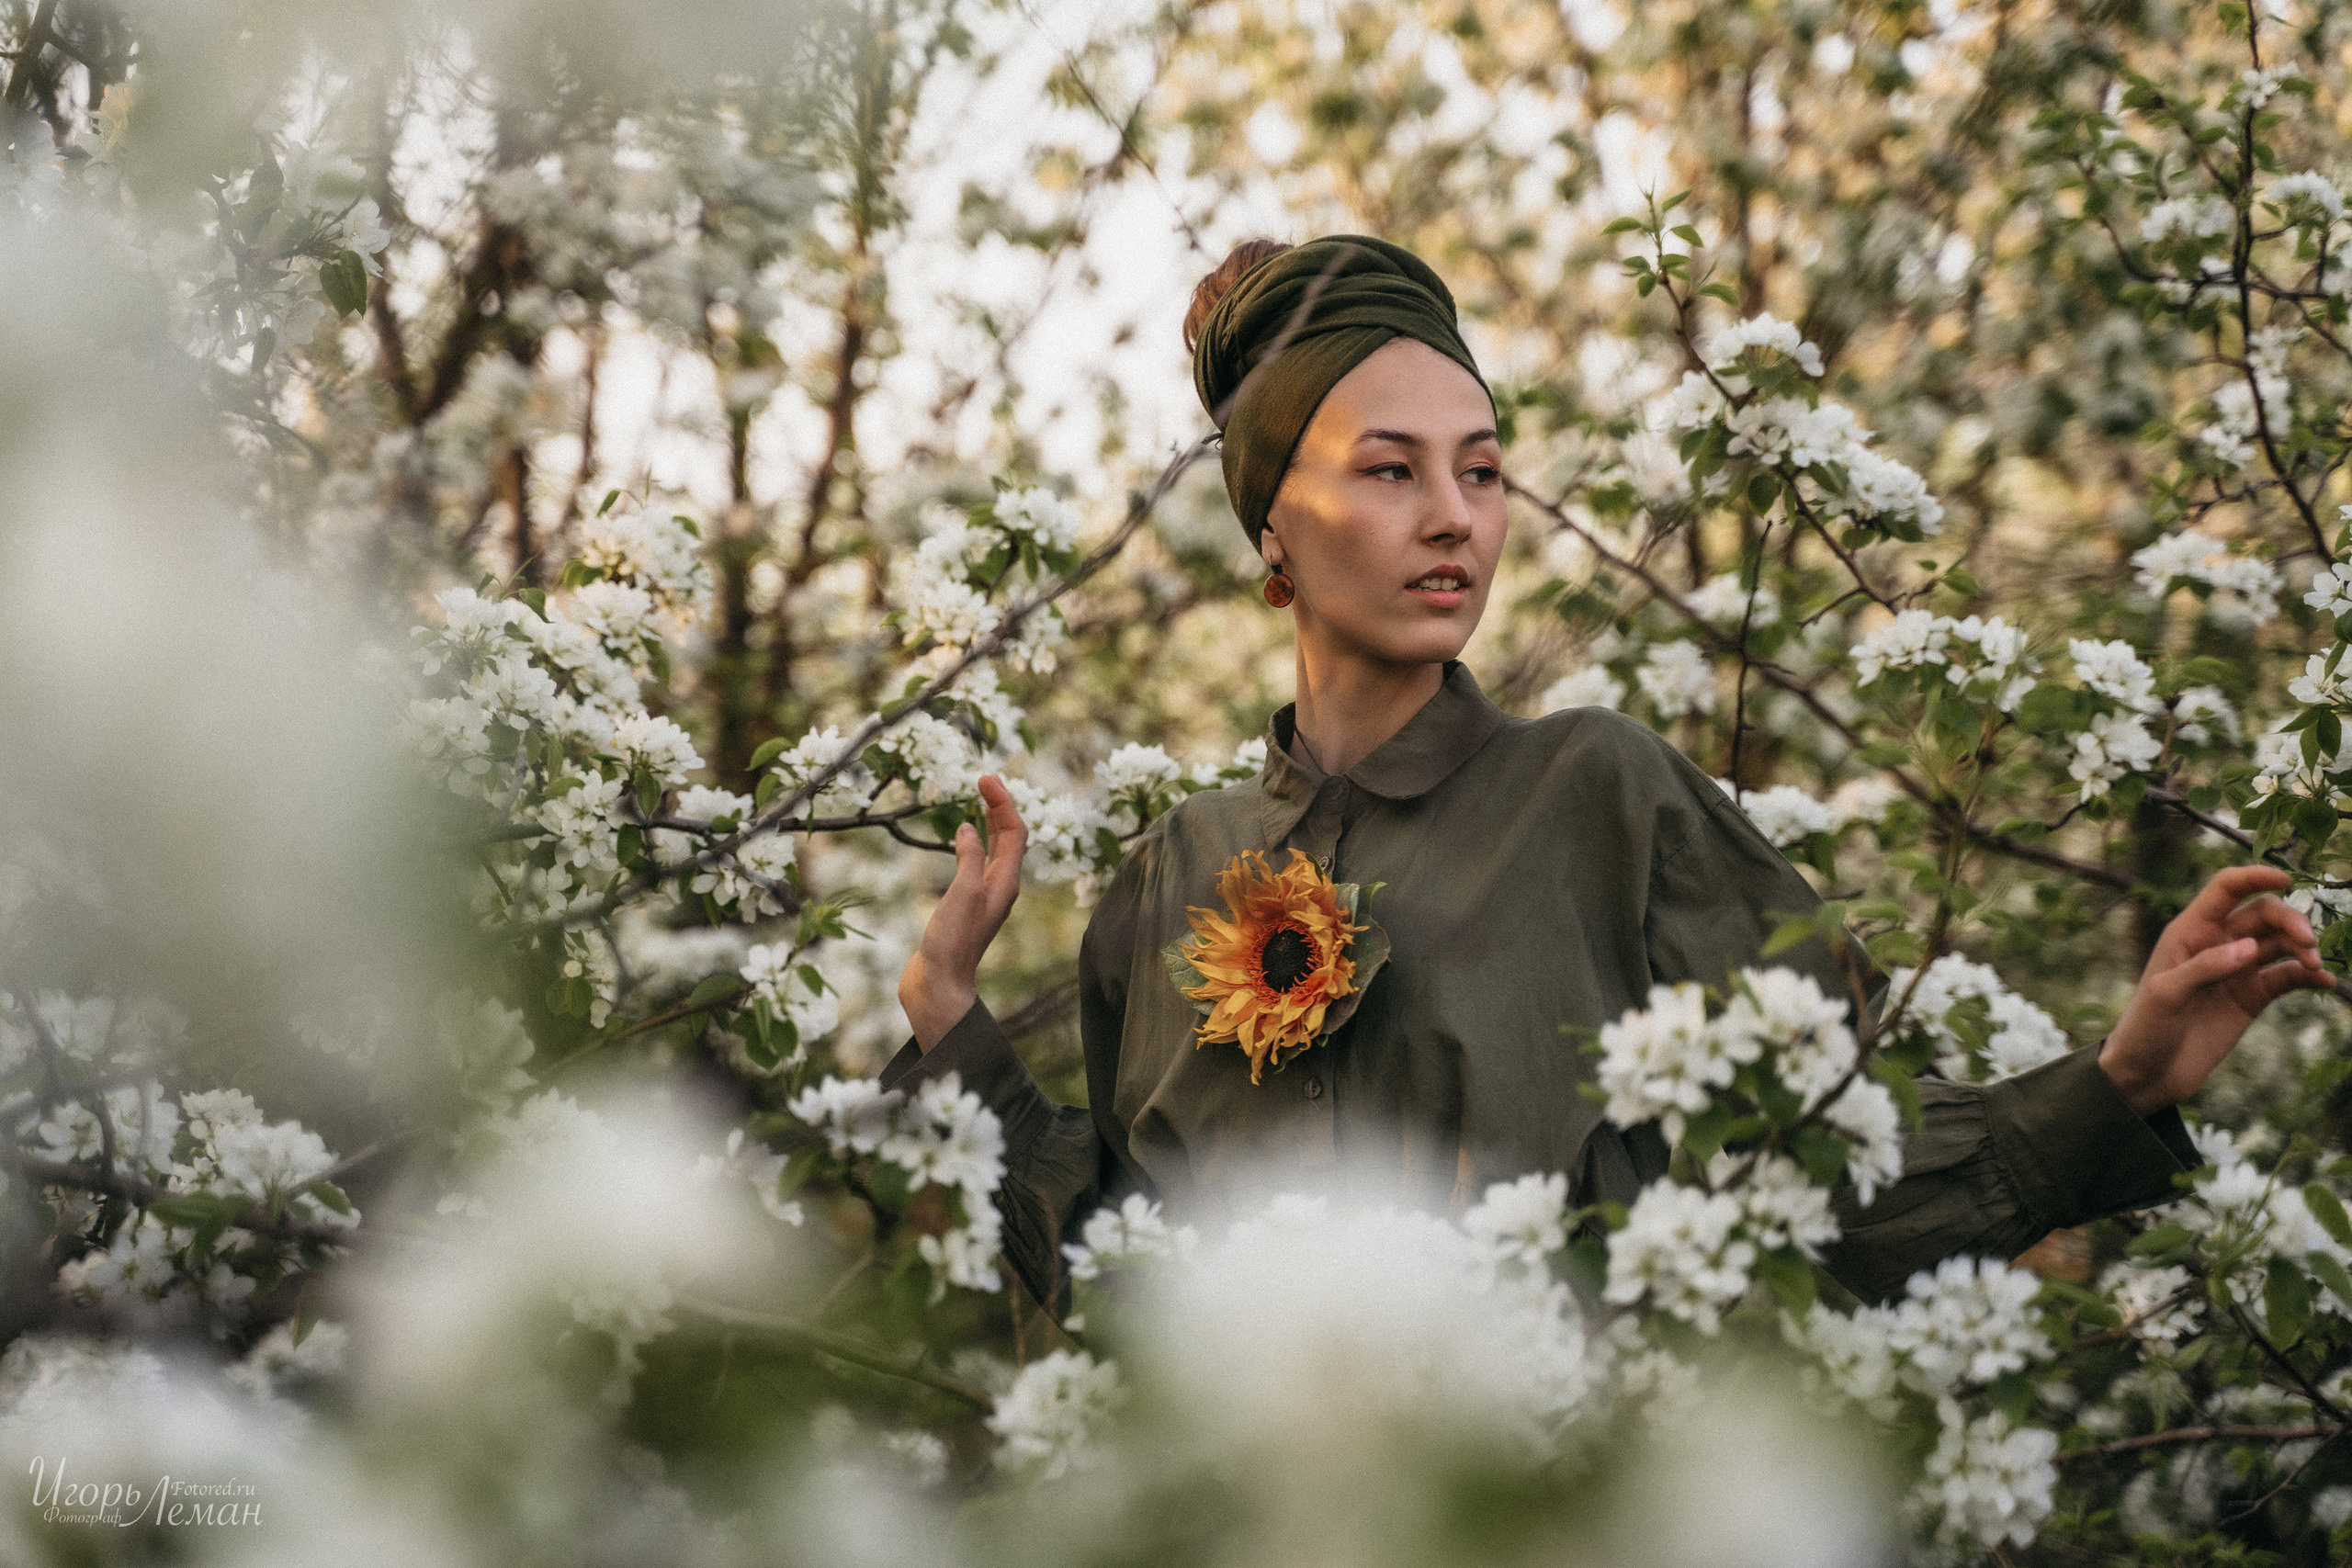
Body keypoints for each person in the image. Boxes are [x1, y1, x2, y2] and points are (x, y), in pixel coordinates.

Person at [886, 234, 2335, 1309]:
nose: (1455, 518)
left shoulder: (1602, 796)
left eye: (1485, 469)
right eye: (1391, 471)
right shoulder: (1171, 873)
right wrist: (948, 1016)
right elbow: (1114, 1269)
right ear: (1273, 526)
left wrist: (2116, 1084)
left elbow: (1827, 1167)